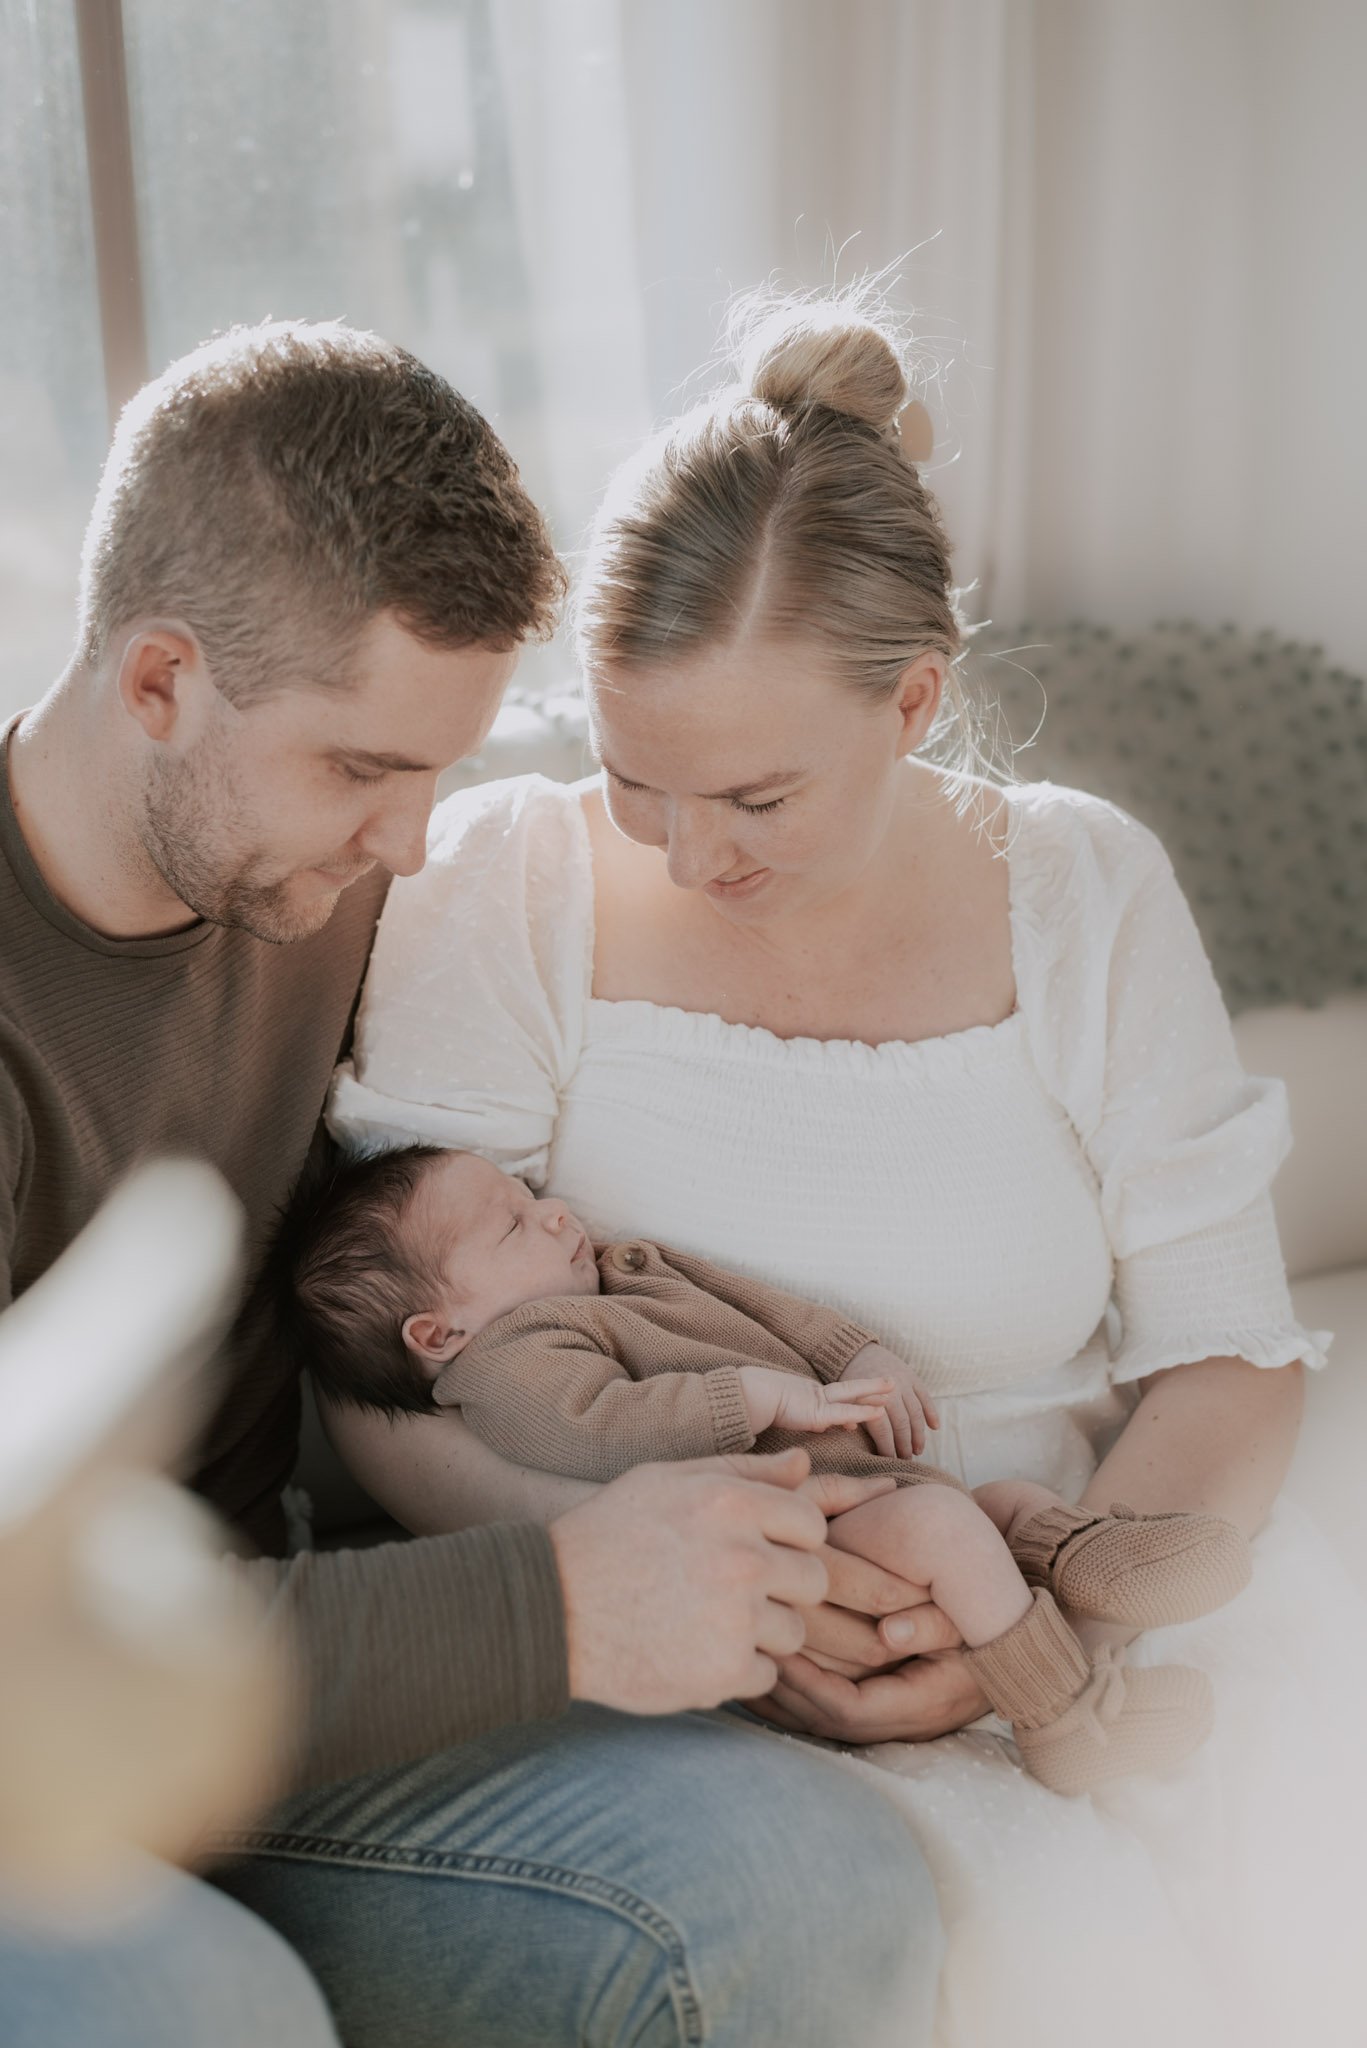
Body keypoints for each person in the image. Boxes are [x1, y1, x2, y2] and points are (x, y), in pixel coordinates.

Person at [325, 295, 1367, 2048]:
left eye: (756, 794)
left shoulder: (1081, 888)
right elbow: (395, 1370)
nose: (689, 845)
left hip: (1067, 1579)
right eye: (637, 776)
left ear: (913, 699)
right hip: (672, 1632)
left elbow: (1226, 1352)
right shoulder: (507, 883)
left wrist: (1025, 1620)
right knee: (1015, 1951)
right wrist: (708, 1596)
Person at [0, 320, 946, 2048]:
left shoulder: (317, 881)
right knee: (204, 2009)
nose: (415, 844)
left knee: (819, 1888)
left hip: (259, 1696)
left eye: (441, 764)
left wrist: (804, 1555)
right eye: (364, 768)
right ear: (156, 683)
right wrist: (564, 1597)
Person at [274, 1140, 1253, 1794]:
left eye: (531, 1195)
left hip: (866, 1484)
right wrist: (755, 1397)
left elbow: (765, 1306)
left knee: (994, 1501)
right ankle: (1065, 1718)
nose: (556, 1213)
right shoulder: (505, 1364)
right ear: (438, 1329)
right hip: (799, 1526)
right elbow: (597, 1429)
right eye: (512, 1225)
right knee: (950, 1529)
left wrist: (848, 1355)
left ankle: (1090, 1555)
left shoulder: (619, 1270)